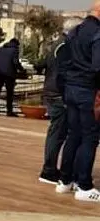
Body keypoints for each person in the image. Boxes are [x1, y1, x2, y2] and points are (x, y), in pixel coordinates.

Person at [56, 2, 100, 202]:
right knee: (89, 137)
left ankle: (65, 181)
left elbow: (63, 61)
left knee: (73, 134)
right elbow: (98, 67)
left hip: (71, 88)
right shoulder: (97, 33)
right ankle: (84, 185)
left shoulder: (75, 31)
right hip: (87, 90)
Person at [35, 22, 81, 184]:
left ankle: (51, 169)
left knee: (57, 133)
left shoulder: (58, 44)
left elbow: (43, 65)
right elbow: (63, 72)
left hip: (53, 93)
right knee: (58, 133)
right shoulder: (64, 47)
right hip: (58, 95)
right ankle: (49, 171)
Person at [0, 38, 25, 117]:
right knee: (9, 93)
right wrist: (22, 70)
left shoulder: (1, 49)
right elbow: (15, 62)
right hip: (9, 74)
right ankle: (9, 111)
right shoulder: (14, 50)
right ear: (16, 44)